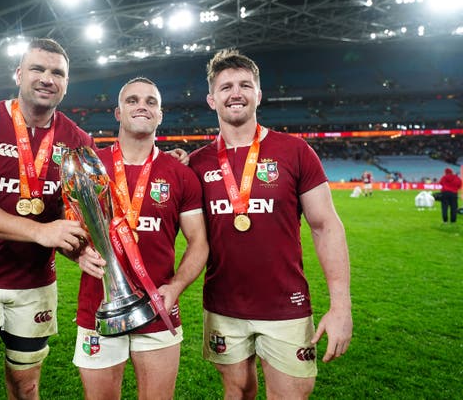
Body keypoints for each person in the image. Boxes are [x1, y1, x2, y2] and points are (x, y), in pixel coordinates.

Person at [188, 49, 352, 399]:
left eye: (245, 85)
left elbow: (326, 227)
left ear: (258, 95)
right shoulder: (196, 163)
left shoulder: (295, 151)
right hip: (222, 306)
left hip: (285, 305)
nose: (236, 93)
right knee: (237, 391)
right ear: (211, 99)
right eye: (226, 86)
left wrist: (341, 308)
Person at [0, 38, 93, 400]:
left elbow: (77, 214)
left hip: (35, 287)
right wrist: (39, 232)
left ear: (66, 83)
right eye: (37, 69)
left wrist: (79, 247)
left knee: (26, 387)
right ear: (19, 73)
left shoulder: (77, 139)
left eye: (58, 73)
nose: (47, 78)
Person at [72, 77, 209, 399]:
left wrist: (175, 288)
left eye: (151, 101)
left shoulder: (180, 173)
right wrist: (76, 253)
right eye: (132, 100)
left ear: (160, 115)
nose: (142, 106)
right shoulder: (90, 166)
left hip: (158, 306)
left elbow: (199, 242)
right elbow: (67, 228)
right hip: (99, 306)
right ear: (118, 112)